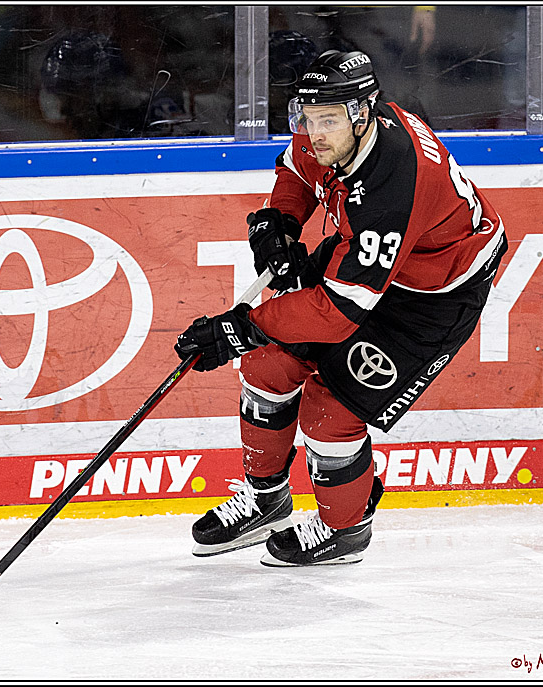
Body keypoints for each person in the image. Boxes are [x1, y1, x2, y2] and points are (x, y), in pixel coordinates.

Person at [174, 50, 508, 566]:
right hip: (373, 263)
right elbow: (294, 169)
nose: (314, 132)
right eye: (306, 118)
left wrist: (242, 327)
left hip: (433, 294)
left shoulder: (393, 184)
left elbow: (338, 312)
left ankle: (344, 528)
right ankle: (266, 501)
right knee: (266, 366)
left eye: (325, 120)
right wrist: (280, 224)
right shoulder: (334, 130)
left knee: (329, 416)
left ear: (362, 112)